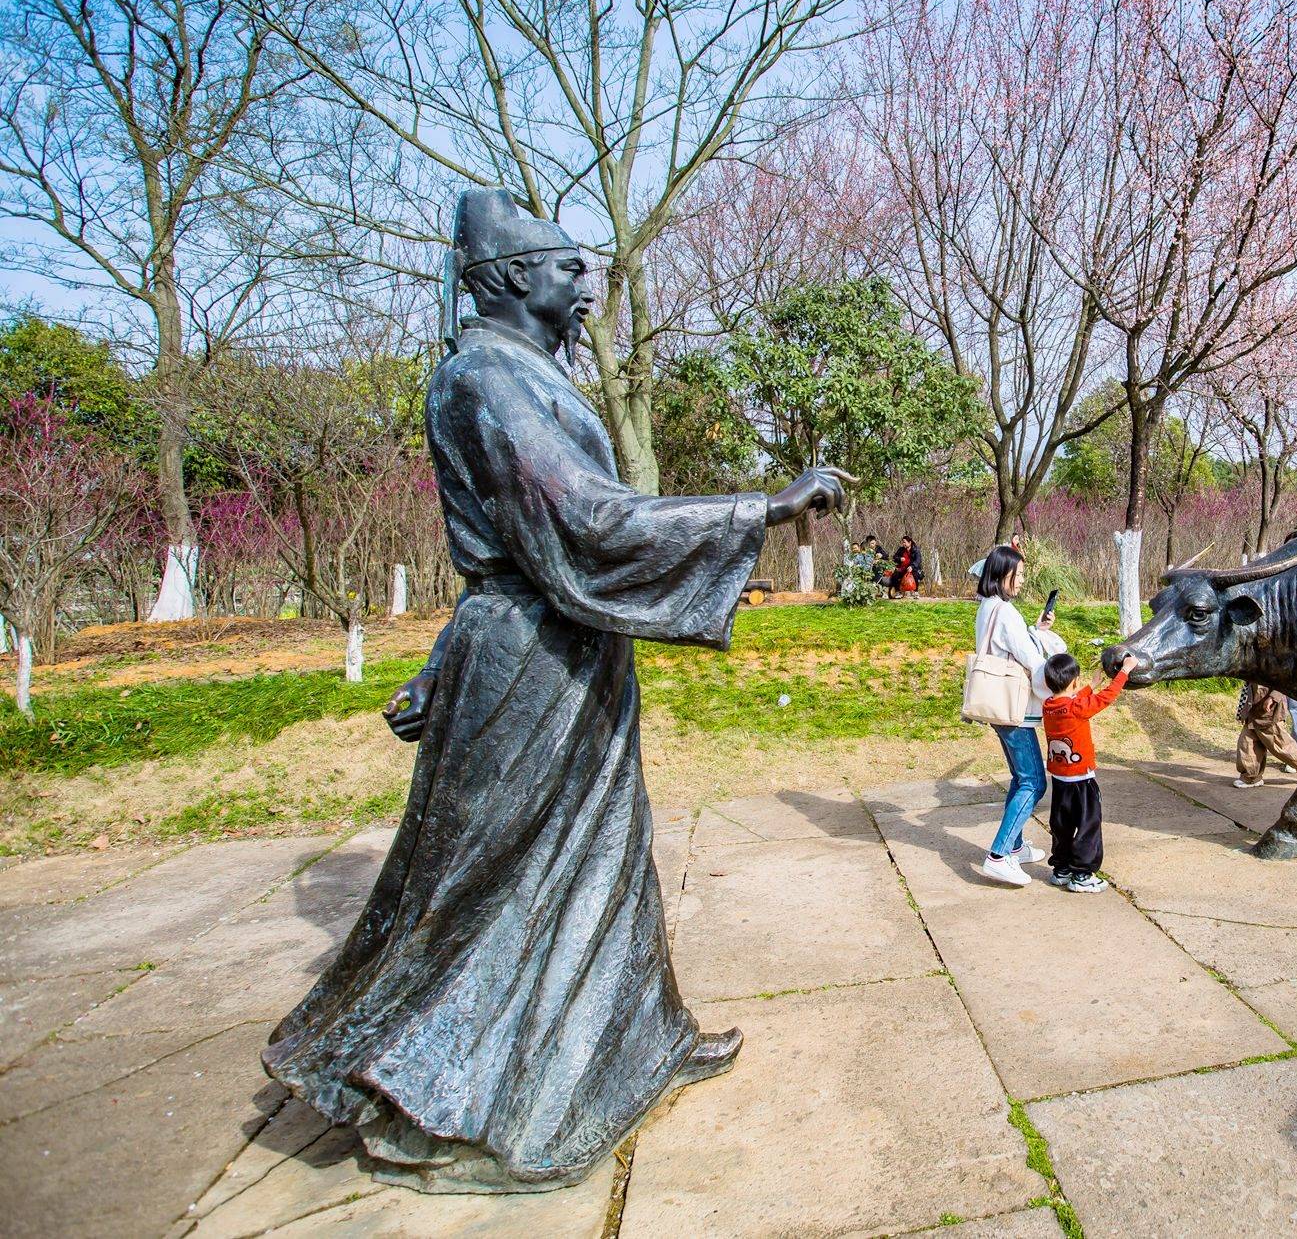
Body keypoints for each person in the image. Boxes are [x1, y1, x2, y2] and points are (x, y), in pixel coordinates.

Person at [267, 188, 851, 1193]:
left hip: (564, 653)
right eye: (567, 269)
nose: (587, 288)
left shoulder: (520, 371)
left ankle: (638, 1040)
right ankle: (429, 1094)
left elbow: (548, 537)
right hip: (532, 661)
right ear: (506, 277)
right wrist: (760, 507)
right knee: (491, 873)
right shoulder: (486, 378)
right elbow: (583, 525)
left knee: (601, 852)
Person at [972, 544, 1065, 887]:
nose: (1023, 580)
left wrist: (1036, 629)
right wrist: (1059, 678)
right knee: (1034, 781)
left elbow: (1010, 644)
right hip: (1015, 711)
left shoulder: (989, 607)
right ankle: (998, 855)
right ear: (1002, 574)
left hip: (1000, 706)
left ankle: (1013, 845)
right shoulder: (1006, 612)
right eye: (1019, 574)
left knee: (1020, 777)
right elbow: (1030, 660)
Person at [1040, 651, 1134, 893]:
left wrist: (1090, 686)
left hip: (1060, 780)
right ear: (1073, 682)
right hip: (1082, 780)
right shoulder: (1076, 708)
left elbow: (1070, 700)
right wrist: (1124, 672)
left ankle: (1061, 869)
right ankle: (1082, 874)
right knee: (1088, 825)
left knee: (1061, 824)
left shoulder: (1049, 706)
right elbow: (1108, 697)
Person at [1234, 682, 1297, 788]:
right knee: (1247, 743)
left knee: (1282, 747)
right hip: (1254, 707)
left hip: (1269, 711)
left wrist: (1273, 698)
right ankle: (1251, 777)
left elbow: (1284, 678)